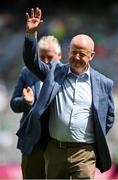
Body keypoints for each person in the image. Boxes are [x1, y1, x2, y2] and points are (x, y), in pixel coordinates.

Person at [17, 7, 115, 179]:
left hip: (84, 154)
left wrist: (89, 136)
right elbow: (31, 62)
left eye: (82, 54)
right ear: (68, 50)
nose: (77, 57)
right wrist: (31, 35)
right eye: (74, 52)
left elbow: (108, 117)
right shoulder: (54, 72)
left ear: (91, 55)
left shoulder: (103, 83)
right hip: (55, 151)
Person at [10, 35, 61, 179]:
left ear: (59, 55)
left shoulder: (65, 75)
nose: (45, 61)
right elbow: (14, 103)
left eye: (49, 57)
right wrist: (26, 103)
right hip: (32, 145)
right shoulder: (27, 72)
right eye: (41, 57)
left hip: (57, 144)